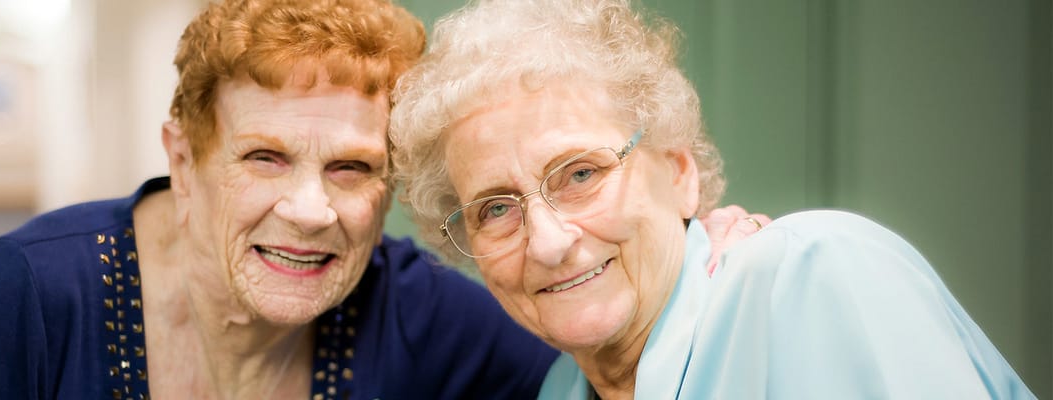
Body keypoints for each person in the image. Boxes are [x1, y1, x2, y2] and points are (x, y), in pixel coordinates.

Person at [0, 0, 766, 398]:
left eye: (352, 169)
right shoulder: (37, 293)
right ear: (184, 155)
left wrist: (698, 255)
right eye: (265, 156)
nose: (311, 209)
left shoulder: (419, 314)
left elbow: (599, 346)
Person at [388, 0, 1036, 399]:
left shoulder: (814, 277)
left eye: (581, 174)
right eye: (496, 209)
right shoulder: (562, 389)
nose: (551, 242)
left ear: (679, 172)